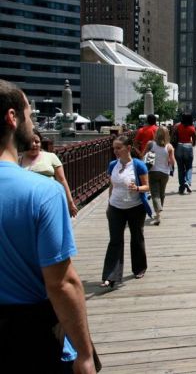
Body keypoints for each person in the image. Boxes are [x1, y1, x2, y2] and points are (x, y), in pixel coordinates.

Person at [0, 80, 96, 373]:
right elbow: (61, 283)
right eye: (30, 114)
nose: (33, 122)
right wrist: (85, 353)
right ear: (12, 117)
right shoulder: (42, 192)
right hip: (28, 329)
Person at [101, 135, 150, 288]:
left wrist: (137, 188)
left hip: (135, 207)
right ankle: (111, 276)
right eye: (114, 148)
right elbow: (111, 186)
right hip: (116, 207)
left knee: (136, 238)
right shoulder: (112, 165)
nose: (115, 151)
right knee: (115, 240)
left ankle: (139, 268)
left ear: (128, 148)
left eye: (118, 148)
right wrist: (109, 204)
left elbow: (147, 187)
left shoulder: (138, 165)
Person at [19, 128, 78, 217]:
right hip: (27, 205)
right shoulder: (18, 160)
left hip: (50, 201)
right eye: (30, 142)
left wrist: (70, 202)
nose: (34, 144)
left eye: (37, 142)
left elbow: (62, 180)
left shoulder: (51, 157)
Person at [142, 126, 175, 225]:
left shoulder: (150, 144)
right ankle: (158, 212)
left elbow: (143, 155)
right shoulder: (169, 146)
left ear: (156, 134)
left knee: (155, 193)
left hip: (153, 171)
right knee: (161, 193)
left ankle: (158, 214)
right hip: (165, 173)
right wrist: (169, 160)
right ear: (167, 135)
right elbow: (173, 162)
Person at [174, 113, 196, 194]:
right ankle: (187, 181)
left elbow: (175, 136)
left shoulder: (178, 126)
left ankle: (181, 187)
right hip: (188, 146)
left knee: (180, 168)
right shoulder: (192, 128)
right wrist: (193, 144)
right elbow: (194, 138)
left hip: (179, 146)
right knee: (189, 167)